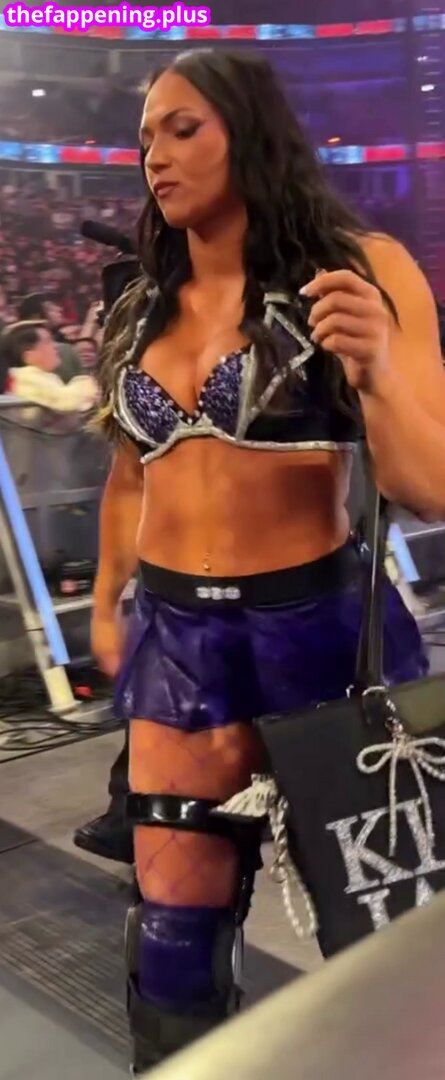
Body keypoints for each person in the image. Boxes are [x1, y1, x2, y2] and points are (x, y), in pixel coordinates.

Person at [92, 49, 445, 1074]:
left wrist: (376, 373)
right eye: (145, 139)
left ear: (249, 133)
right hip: (177, 640)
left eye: (183, 129)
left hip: (319, 631)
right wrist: (110, 600)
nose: (156, 156)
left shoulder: (358, 268)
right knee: (172, 938)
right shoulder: (138, 305)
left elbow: (428, 485)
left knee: (383, 930)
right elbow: (129, 475)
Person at [0, 320, 97, 411]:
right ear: (29, 356)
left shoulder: (39, 376)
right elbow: (66, 401)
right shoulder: (26, 378)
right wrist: (87, 383)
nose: (56, 346)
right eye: (47, 341)